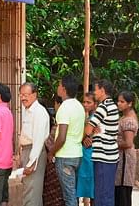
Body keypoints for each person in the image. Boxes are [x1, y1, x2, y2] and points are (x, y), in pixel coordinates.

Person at [47, 75, 85, 206]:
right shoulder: (79, 106)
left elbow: (61, 137)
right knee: (72, 194)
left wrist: (51, 152)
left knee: (69, 197)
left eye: (58, 85)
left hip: (65, 156)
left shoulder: (64, 107)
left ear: (63, 88)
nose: (57, 88)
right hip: (77, 154)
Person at [85, 79, 120, 206]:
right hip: (110, 155)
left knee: (102, 194)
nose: (94, 92)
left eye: (96, 89)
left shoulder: (103, 107)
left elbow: (88, 130)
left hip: (104, 156)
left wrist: (93, 129)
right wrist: (95, 129)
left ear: (102, 90)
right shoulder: (113, 106)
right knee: (106, 193)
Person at [19, 82, 50, 206]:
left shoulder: (39, 112)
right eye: (21, 95)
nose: (23, 98)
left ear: (34, 95)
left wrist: (32, 162)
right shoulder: (28, 110)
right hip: (28, 151)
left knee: (32, 192)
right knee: (29, 190)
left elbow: (38, 140)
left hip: (34, 152)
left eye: (26, 95)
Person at [115, 91, 139, 206]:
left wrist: (111, 144)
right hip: (121, 159)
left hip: (125, 160)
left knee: (123, 193)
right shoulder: (125, 117)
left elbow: (128, 143)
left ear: (129, 104)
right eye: (118, 101)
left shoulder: (129, 120)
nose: (118, 103)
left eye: (122, 101)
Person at [42, 96, 65, 206]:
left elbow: (52, 142)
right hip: (61, 161)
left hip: (53, 161)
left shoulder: (59, 125)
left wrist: (50, 152)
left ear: (58, 104)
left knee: (52, 192)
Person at [77, 92, 97, 206]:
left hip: (90, 155)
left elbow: (86, 134)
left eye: (88, 102)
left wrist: (86, 138)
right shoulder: (88, 116)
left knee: (91, 187)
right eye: (84, 102)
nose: (85, 104)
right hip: (85, 154)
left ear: (95, 104)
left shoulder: (95, 118)